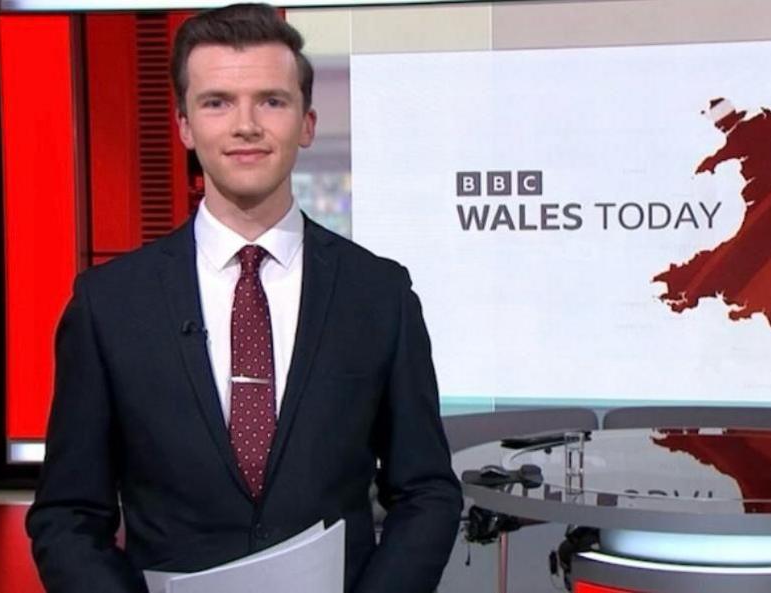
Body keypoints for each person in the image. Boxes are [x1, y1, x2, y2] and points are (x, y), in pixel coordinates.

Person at [25, 4, 462, 592]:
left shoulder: (379, 295)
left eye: (271, 101)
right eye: (217, 102)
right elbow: (68, 517)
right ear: (183, 125)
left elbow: (426, 492)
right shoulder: (109, 304)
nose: (246, 125)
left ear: (306, 123)